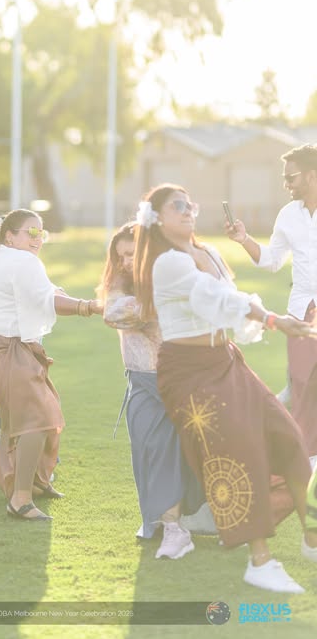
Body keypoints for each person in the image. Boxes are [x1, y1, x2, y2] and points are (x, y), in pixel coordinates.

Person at [132, 183, 317, 593]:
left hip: (226, 360)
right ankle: (259, 561)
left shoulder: (208, 252)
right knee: (238, 455)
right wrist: (274, 319)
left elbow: (229, 297)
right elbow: (213, 297)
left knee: (288, 435)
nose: (188, 210)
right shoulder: (167, 263)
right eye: (177, 206)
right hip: (188, 373)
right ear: (157, 219)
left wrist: (266, 318)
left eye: (190, 203)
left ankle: (313, 539)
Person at [0, 209, 103, 521]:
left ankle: (32, 483)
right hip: (3, 348)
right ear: (9, 236)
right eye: (31, 232)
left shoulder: (0, 257)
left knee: (22, 416)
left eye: (41, 233)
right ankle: (21, 499)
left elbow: (43, 291)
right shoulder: (23, 261)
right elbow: (48, 300)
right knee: (39, 418)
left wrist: (61, 295)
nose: (38, 238)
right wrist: (89, 307)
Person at [99, 222, 208, 560]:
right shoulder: (122, 283)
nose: (125, 262)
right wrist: (151, 306)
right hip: (140, 380)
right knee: (147, 448)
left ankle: (176, 525)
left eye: (131, 254)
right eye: (120, 256)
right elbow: (112, 313)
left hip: (178, 379)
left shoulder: (173, 277)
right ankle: (163, 521)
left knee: (176, 451)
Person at [226, 144, 317, 460]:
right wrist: (243, 239)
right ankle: (308, 461)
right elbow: (271, 260)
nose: (286, 184)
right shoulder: (288, 215)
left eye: (291, 178)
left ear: (311, 175)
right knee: (303, 387)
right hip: (301, 313)